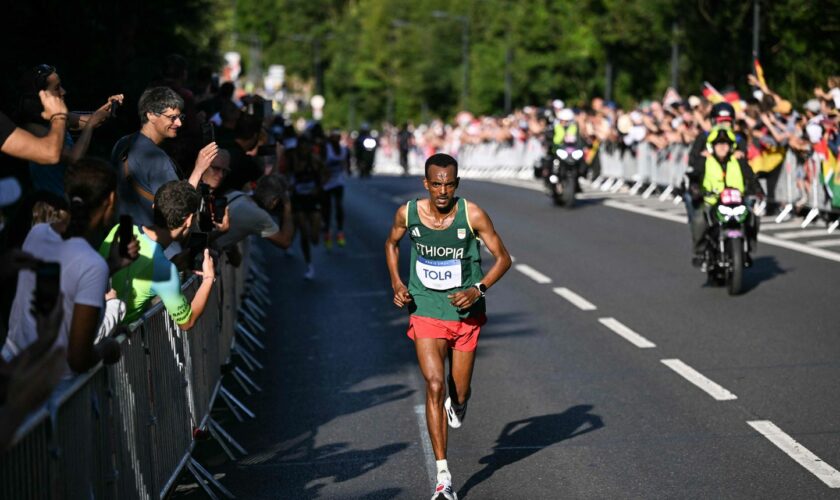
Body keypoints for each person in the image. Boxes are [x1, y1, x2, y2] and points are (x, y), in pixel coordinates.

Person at [385, 153, 511, 500]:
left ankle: (461, 400)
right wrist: (397, 283)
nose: (442, 191)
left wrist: (477, 289)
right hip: (425, 308)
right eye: (436, 184)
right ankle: (444, 477)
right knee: (435, 385)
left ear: (457, 184)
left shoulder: (472, 214)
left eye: (449, 184)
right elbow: (391, 244)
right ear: (426, 183)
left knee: (459, 391)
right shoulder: (408, 214)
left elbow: (504, 258)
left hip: (465, 314)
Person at [3, 158, 128, 375]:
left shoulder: (38, 234)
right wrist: (105, 349)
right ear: (111, 199)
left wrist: (112, 265)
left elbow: (67, 281)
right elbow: (78, 358)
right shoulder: (92, 264)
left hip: (13, 372)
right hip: (52, 391)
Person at [100, 180, 216, 329]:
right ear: (189, 220)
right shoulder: (163, 270)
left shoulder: (121, 229)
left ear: (154, 207)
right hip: (111, 338)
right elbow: (187, 322)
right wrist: (208, 278)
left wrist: (174, 264)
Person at [111, 86, 218, 227]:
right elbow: (177, 208)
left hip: (120, 229)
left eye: (180, 117)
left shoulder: (123, 142)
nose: (179, 123)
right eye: (172, 118)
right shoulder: (156, 159)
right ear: (151, 115)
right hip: (148, 240)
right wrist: (199, 169)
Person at [16, 64, 124, 196]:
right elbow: (74, 158)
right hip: (52, 207)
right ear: (41, 96)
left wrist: (109, 106)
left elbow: (94, 119)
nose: (63, 91)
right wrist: (90, 125)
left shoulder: (58, 117)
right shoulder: (34, 129)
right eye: (56, 88)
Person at [688, 126, 763, 269]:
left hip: (736, 202)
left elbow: (751, 177)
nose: (722, 147)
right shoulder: (704, 160)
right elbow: (694, 176)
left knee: (754, 218)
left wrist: (758, 190)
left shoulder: (738, 160)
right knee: (698, 219)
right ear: (713, 146)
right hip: (712, 202)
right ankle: (700, 252)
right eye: (719, 144)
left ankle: (747, 250)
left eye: (726, 144)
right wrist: (695, 189)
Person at [290, 138, 325, 280]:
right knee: (304, 232)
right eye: (301, 147)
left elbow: (326, 174)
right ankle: (309, 264)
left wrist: (319, 188)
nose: (304, 150)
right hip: (298, 200)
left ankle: (317, 233)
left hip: (312, 199)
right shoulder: (293, 160)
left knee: (314, 237)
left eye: (306, 147)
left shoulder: (315, 160)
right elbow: (284, 174)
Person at [321, 130, 350, 248]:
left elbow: (346, 162)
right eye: (334, 137)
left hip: (338, 181)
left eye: (338, 138)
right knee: (327, 208)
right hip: (326, 183)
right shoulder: (326, 149)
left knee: (339, 206)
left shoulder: (343, 149)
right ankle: (327, 231)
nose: (336, 140)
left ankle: (340, 231)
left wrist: (347, 169)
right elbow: (320, 163)